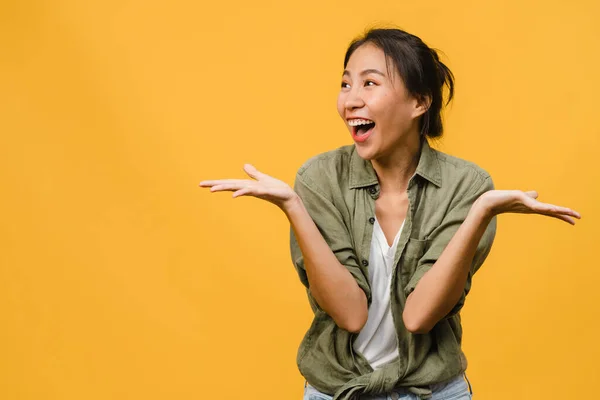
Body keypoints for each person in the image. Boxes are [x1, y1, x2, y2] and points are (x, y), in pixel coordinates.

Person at [199, 28, 580, 400]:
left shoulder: (466, 187)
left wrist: (480, 213)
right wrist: (293, 207)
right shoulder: (318, 179)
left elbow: (418, 317)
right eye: (346, 84)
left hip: (435, 392)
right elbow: (350, 315)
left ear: (419, 102)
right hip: (337, 391)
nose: (350, 101)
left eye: (369, 83)